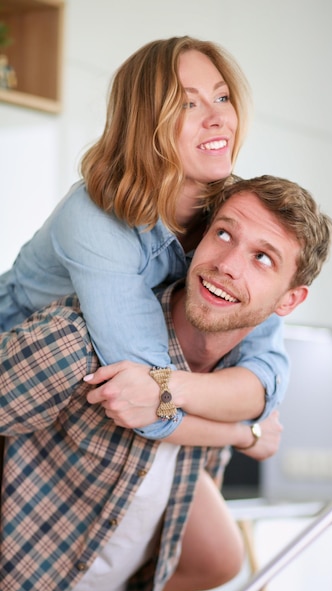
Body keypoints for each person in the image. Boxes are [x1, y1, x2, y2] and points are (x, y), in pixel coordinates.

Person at [0, 175, 332, 591]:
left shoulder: (230, 386)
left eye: (262, 258)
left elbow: (194, 487)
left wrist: (168, 578)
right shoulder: (78, 338)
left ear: (289, 300)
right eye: (224, 234)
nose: (229, 265)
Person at [0, 35, 288, 441]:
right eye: (188, 104)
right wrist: (248, 437)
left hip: (88, 402)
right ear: (145, 124)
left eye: (222, 98)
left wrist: (178, 390)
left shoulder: (234, 217)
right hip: (20, 379)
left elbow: (264, 374)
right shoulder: (94, 216)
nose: (218, 118)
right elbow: (146, 405)